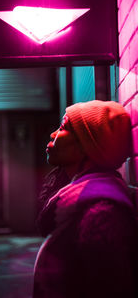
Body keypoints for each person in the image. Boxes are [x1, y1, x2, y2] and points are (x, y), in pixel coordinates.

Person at [33, 100, 138, 298]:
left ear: (87, 146)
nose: (52, 134)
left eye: (63, 127)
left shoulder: (102, 214)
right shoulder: (85, 199)